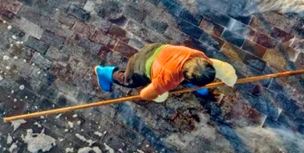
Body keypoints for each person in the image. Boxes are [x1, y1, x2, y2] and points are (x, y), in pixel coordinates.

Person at [94, 43, 237, 101]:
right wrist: (159, 92)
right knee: (127, 80)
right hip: (141, 64)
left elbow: (217, 67)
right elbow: (145, 94)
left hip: (158, 49)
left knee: (193, 77)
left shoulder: (200, 57)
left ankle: (202, 91)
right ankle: (104, 72)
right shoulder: (168, 79)